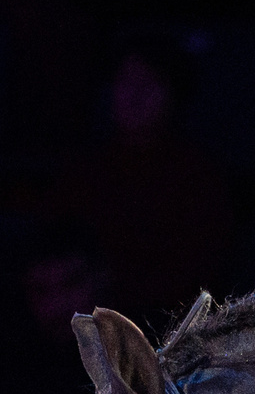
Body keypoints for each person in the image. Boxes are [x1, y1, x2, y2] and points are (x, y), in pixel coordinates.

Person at [45, 38, 235, 325]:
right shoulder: (85, 169)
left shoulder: (197, 176)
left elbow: (197, 275)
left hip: (157, 323)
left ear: (174, 95)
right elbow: (57, 245)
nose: (134, 95)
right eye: (125, 82)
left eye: (149, 84)